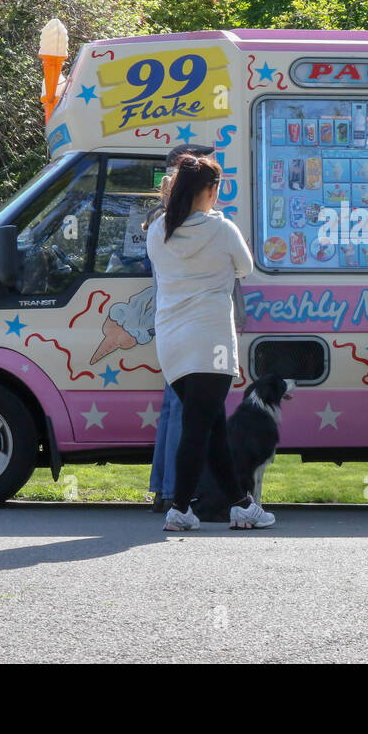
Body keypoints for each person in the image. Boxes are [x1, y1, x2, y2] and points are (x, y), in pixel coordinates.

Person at [146, 155, 273, 531]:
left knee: (212, 424)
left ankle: (240, 503)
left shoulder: (158, 231)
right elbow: (245, 268)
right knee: (199, 427)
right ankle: (181, 507)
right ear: (211, 190)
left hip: (172, 342)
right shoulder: (222, 230)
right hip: (212, 341)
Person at [145, 143, 214, 515]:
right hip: (194, 323)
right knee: (185, 408)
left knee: (174, 406)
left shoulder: (162, 219)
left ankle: (164, 487)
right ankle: (174, 491)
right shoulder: (190, 221)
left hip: (172, 322)